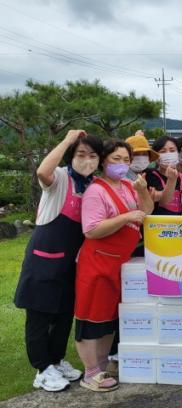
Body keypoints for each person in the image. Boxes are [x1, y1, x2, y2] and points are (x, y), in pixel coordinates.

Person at [13, 130, 102, 392]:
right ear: (70, 156)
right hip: (44, 258)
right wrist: (66, 140)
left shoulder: (94, 185)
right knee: (40, 315)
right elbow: (42, 172)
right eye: (81, 154)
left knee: (64, 314)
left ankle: (56, 360)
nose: (87, 160)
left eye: (93, 155)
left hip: (71, 262)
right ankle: (42, 369)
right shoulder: (61, 177)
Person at [74, 139, 153, 392]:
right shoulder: (96, 191)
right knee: (91, 317)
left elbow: (147, 212)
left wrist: (142, 192)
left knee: (109, 317)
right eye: (116, 159)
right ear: (103, 161)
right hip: (98, 262)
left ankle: (101, 365)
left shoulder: (128, 186)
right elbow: (91, 230)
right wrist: (126, 216)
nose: (122, 164)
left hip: (120, 262)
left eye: (126, 160)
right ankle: (90, 372)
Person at [146, 136, 182, 215]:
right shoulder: (150, 175)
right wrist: (171, 180)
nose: (168, 154)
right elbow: (163, 201)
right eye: (163, 152)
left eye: (172, 151)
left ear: (178, 154)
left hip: (178, 221)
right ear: (156, 157)